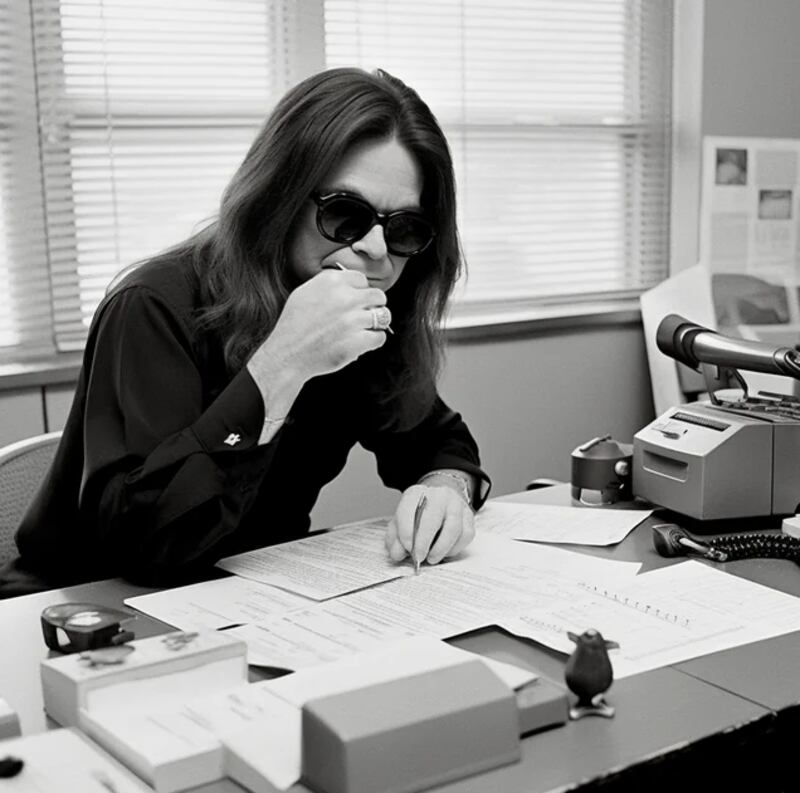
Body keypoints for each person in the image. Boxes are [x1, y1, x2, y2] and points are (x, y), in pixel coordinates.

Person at [0, 67, 490, 597]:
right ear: (280, 197)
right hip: (85, 604)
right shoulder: (153, 305)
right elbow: (149, 545)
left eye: (404, 229)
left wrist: (446, 488)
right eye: (346, 214)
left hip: (256, 595)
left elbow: (438, 442)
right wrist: (282, 365)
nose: (375, 249)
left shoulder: (360, 305)